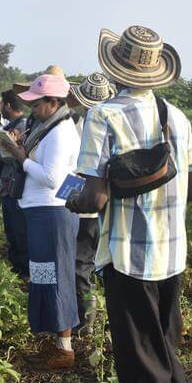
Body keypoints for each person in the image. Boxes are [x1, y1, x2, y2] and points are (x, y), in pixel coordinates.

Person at [67, 25, 192, 383]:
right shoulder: (175, 117)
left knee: (139, 361)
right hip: (172, 255)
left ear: (117, 67)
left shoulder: (103, 115)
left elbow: (93, 195)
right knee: (163, 349)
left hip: (128, 255)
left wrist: (75, 200)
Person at [0, 73, 81, 370]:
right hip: (43, 213)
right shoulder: (50, 126)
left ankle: (64, 348)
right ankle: (57, 344)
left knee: (56, 277)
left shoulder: (60, 132)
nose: (32, 109)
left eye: (37, 104)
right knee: (46, 276)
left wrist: (22, 157)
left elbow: (51, 178)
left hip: (52, 213)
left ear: (53, 102)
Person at [66, 72, 116, 335]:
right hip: (109, 208)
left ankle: (87, 322)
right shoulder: (113, 121)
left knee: (81, 264)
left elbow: (79, 171)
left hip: (87, 205)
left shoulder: (88, 124)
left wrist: (67, 198)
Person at [0, 89, 30, 278]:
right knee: (13, 231)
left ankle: (25, 273)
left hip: (18, 188)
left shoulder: (23, 125)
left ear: (7, 105)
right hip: (10, 186)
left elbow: (20, 157)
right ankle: (19, 272)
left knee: (19, 232)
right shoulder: (18, 124)